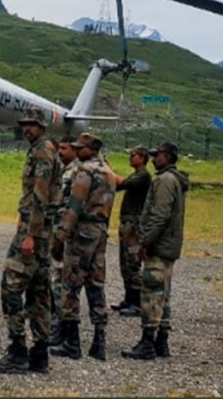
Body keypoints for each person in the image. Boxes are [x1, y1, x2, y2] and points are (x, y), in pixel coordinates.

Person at [0, 108, 56, 374]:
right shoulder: (43, 149)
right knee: (39, 291)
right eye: (25, 124)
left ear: (41, 126)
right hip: (41, 230)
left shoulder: (42, 152)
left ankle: (18, 351)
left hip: (35, 232)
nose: (27, 129)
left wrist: (30, 234)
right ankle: (40, 354)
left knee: (11, 287)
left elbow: (40, 195)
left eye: (32, 125)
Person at [51, 132, 116, 361]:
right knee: (96, 284)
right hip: (100, 231)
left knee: (70, 284)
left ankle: (72, 342)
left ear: (92, 149)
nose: (77, 151)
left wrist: (60, 236)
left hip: (82, 232)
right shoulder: (109, 172)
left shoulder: (85, 171)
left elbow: (74, 206)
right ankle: (99, 340)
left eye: (81, 148)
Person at [122, 142, 188, 361]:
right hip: (168, 245)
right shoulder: (175, 180)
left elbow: (159, 216)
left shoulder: (164, 181)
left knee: (151, 291)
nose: (153, 159)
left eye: (157, 155)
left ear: (167, 157)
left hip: (159, 245)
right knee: (163, 293)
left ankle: (148, 341)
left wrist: (144, 242)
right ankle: (162, 341)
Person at [112, 145, 152, 317]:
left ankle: (137, 303)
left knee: (132, 262)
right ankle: (129, 299)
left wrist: (107, 171)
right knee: (125, 263)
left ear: (142, 158)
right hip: (128, 222)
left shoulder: (143, 176)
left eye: (134, 155)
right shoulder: (137, 175)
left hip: (134, 224)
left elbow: (122, 184)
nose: (131, 158)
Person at [48, 134, 77, 350]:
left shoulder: (75, 172)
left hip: (64, 232)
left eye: (65, 148)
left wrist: (61, 234)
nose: (61, 152)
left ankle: (61, 325)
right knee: (54, 276)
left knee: (59, 278)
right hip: (56, 229)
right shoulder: (63, 169)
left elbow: (70, 205)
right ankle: (57, 321)